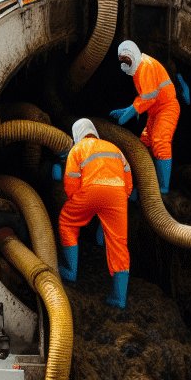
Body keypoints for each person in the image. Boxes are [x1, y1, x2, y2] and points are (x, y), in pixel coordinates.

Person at [54, 118, 132, 308]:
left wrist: (75, 201)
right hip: (118, 195)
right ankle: (119, 298)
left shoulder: (77, 149)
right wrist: (121, 198)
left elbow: (71, 181)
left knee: (67, 221)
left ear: (77, 134)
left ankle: (70, 271)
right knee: (119, 244)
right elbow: (128, 178)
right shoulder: (114, 148)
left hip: (91, 191)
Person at [110, 41, 190, 193]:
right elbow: (144, 96)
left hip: (166, 108)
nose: (124, 64)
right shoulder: (138, 69)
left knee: (160, 142)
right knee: (144, 143)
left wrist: (128, 114)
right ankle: (142, 183)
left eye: (126, 60)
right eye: (122, 61)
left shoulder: (145, 66)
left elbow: (148, 98)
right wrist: (127, 110)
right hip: (155, 111)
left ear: (132, 55)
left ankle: (163, 191)